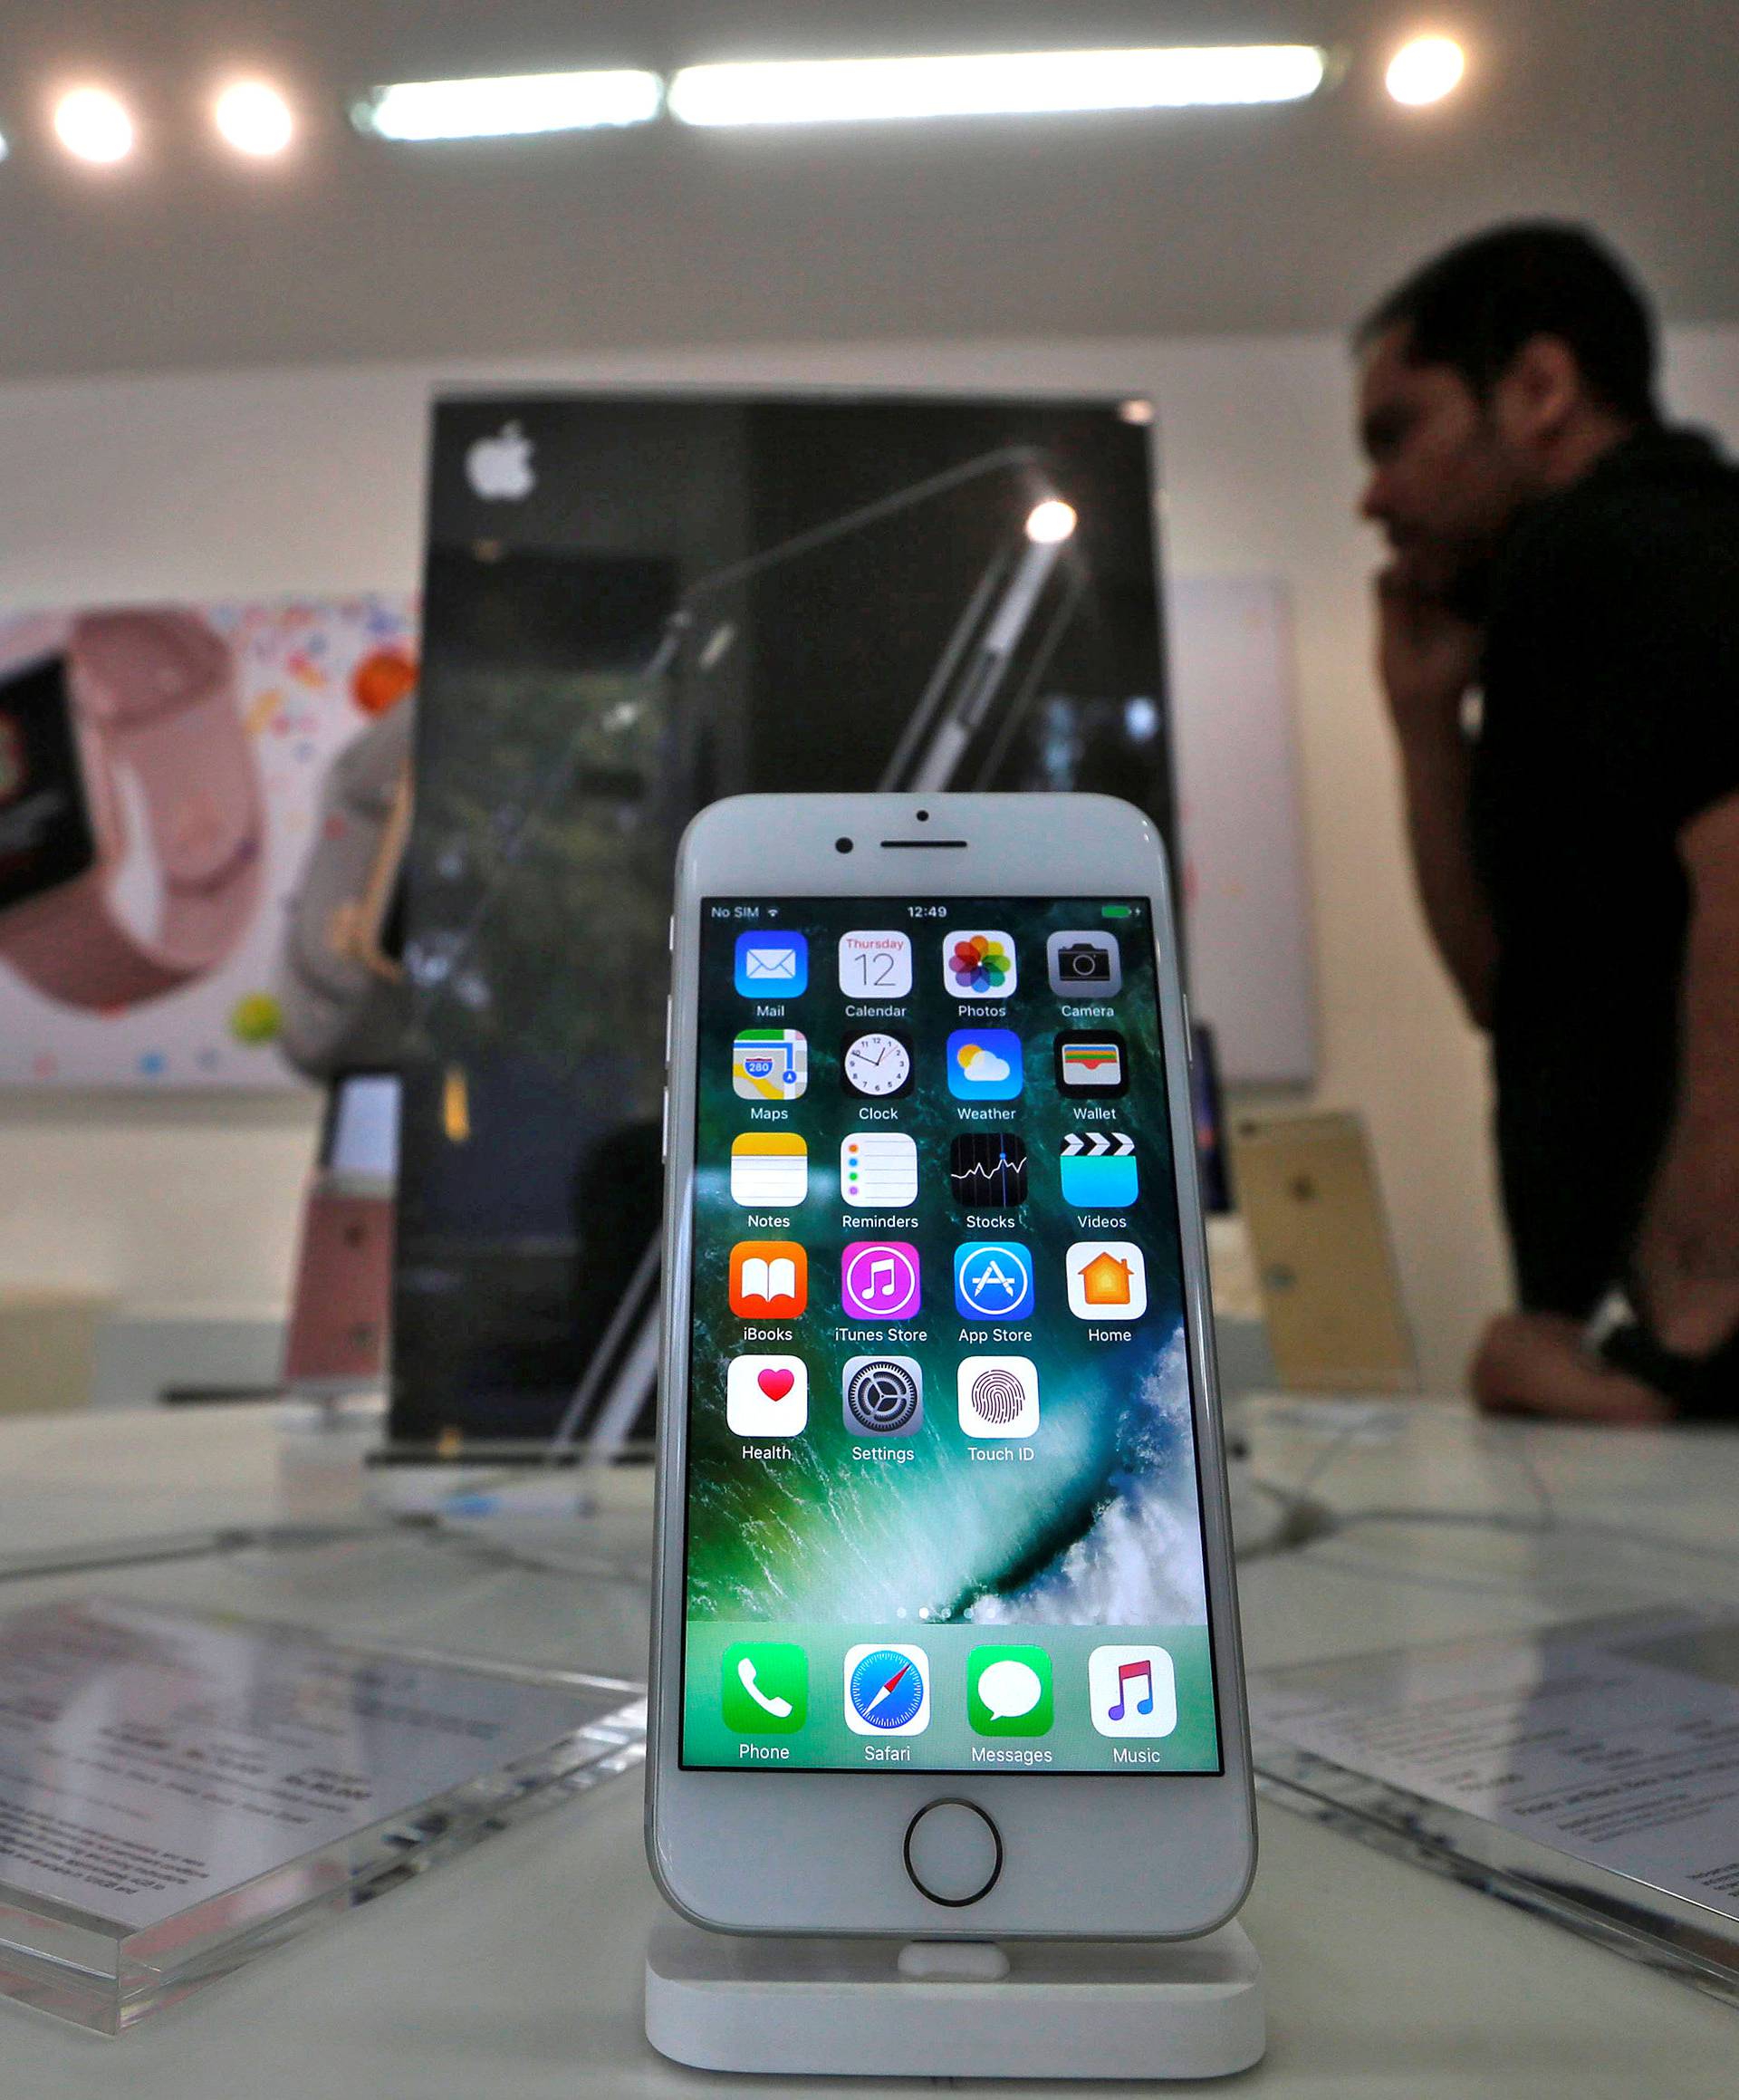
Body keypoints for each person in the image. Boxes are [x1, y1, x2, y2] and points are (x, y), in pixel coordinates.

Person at [1355, 221, 1739, 1421]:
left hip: (1683, 1361)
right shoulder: (1570, 584)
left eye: (1397, 433)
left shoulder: (1623, 538)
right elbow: (1505, 990)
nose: (1373, 495)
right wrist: (1426, 724)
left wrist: (1688, 1308)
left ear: (1538, 388)